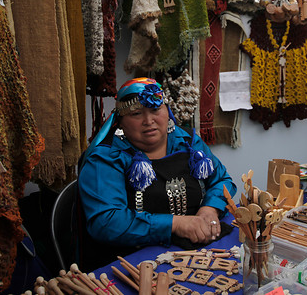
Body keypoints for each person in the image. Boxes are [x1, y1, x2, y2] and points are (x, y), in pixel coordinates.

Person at [78, 78, 236, 267]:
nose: (149, 121)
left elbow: (222, 181)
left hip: (196, 250)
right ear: (120, 121)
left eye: (155, 110)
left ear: (167, 111)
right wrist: (176, 224)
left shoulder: (188, 142)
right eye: (136, 114)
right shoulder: (105, 158)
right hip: (133, 261)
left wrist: (210, 209)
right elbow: (107, 222)